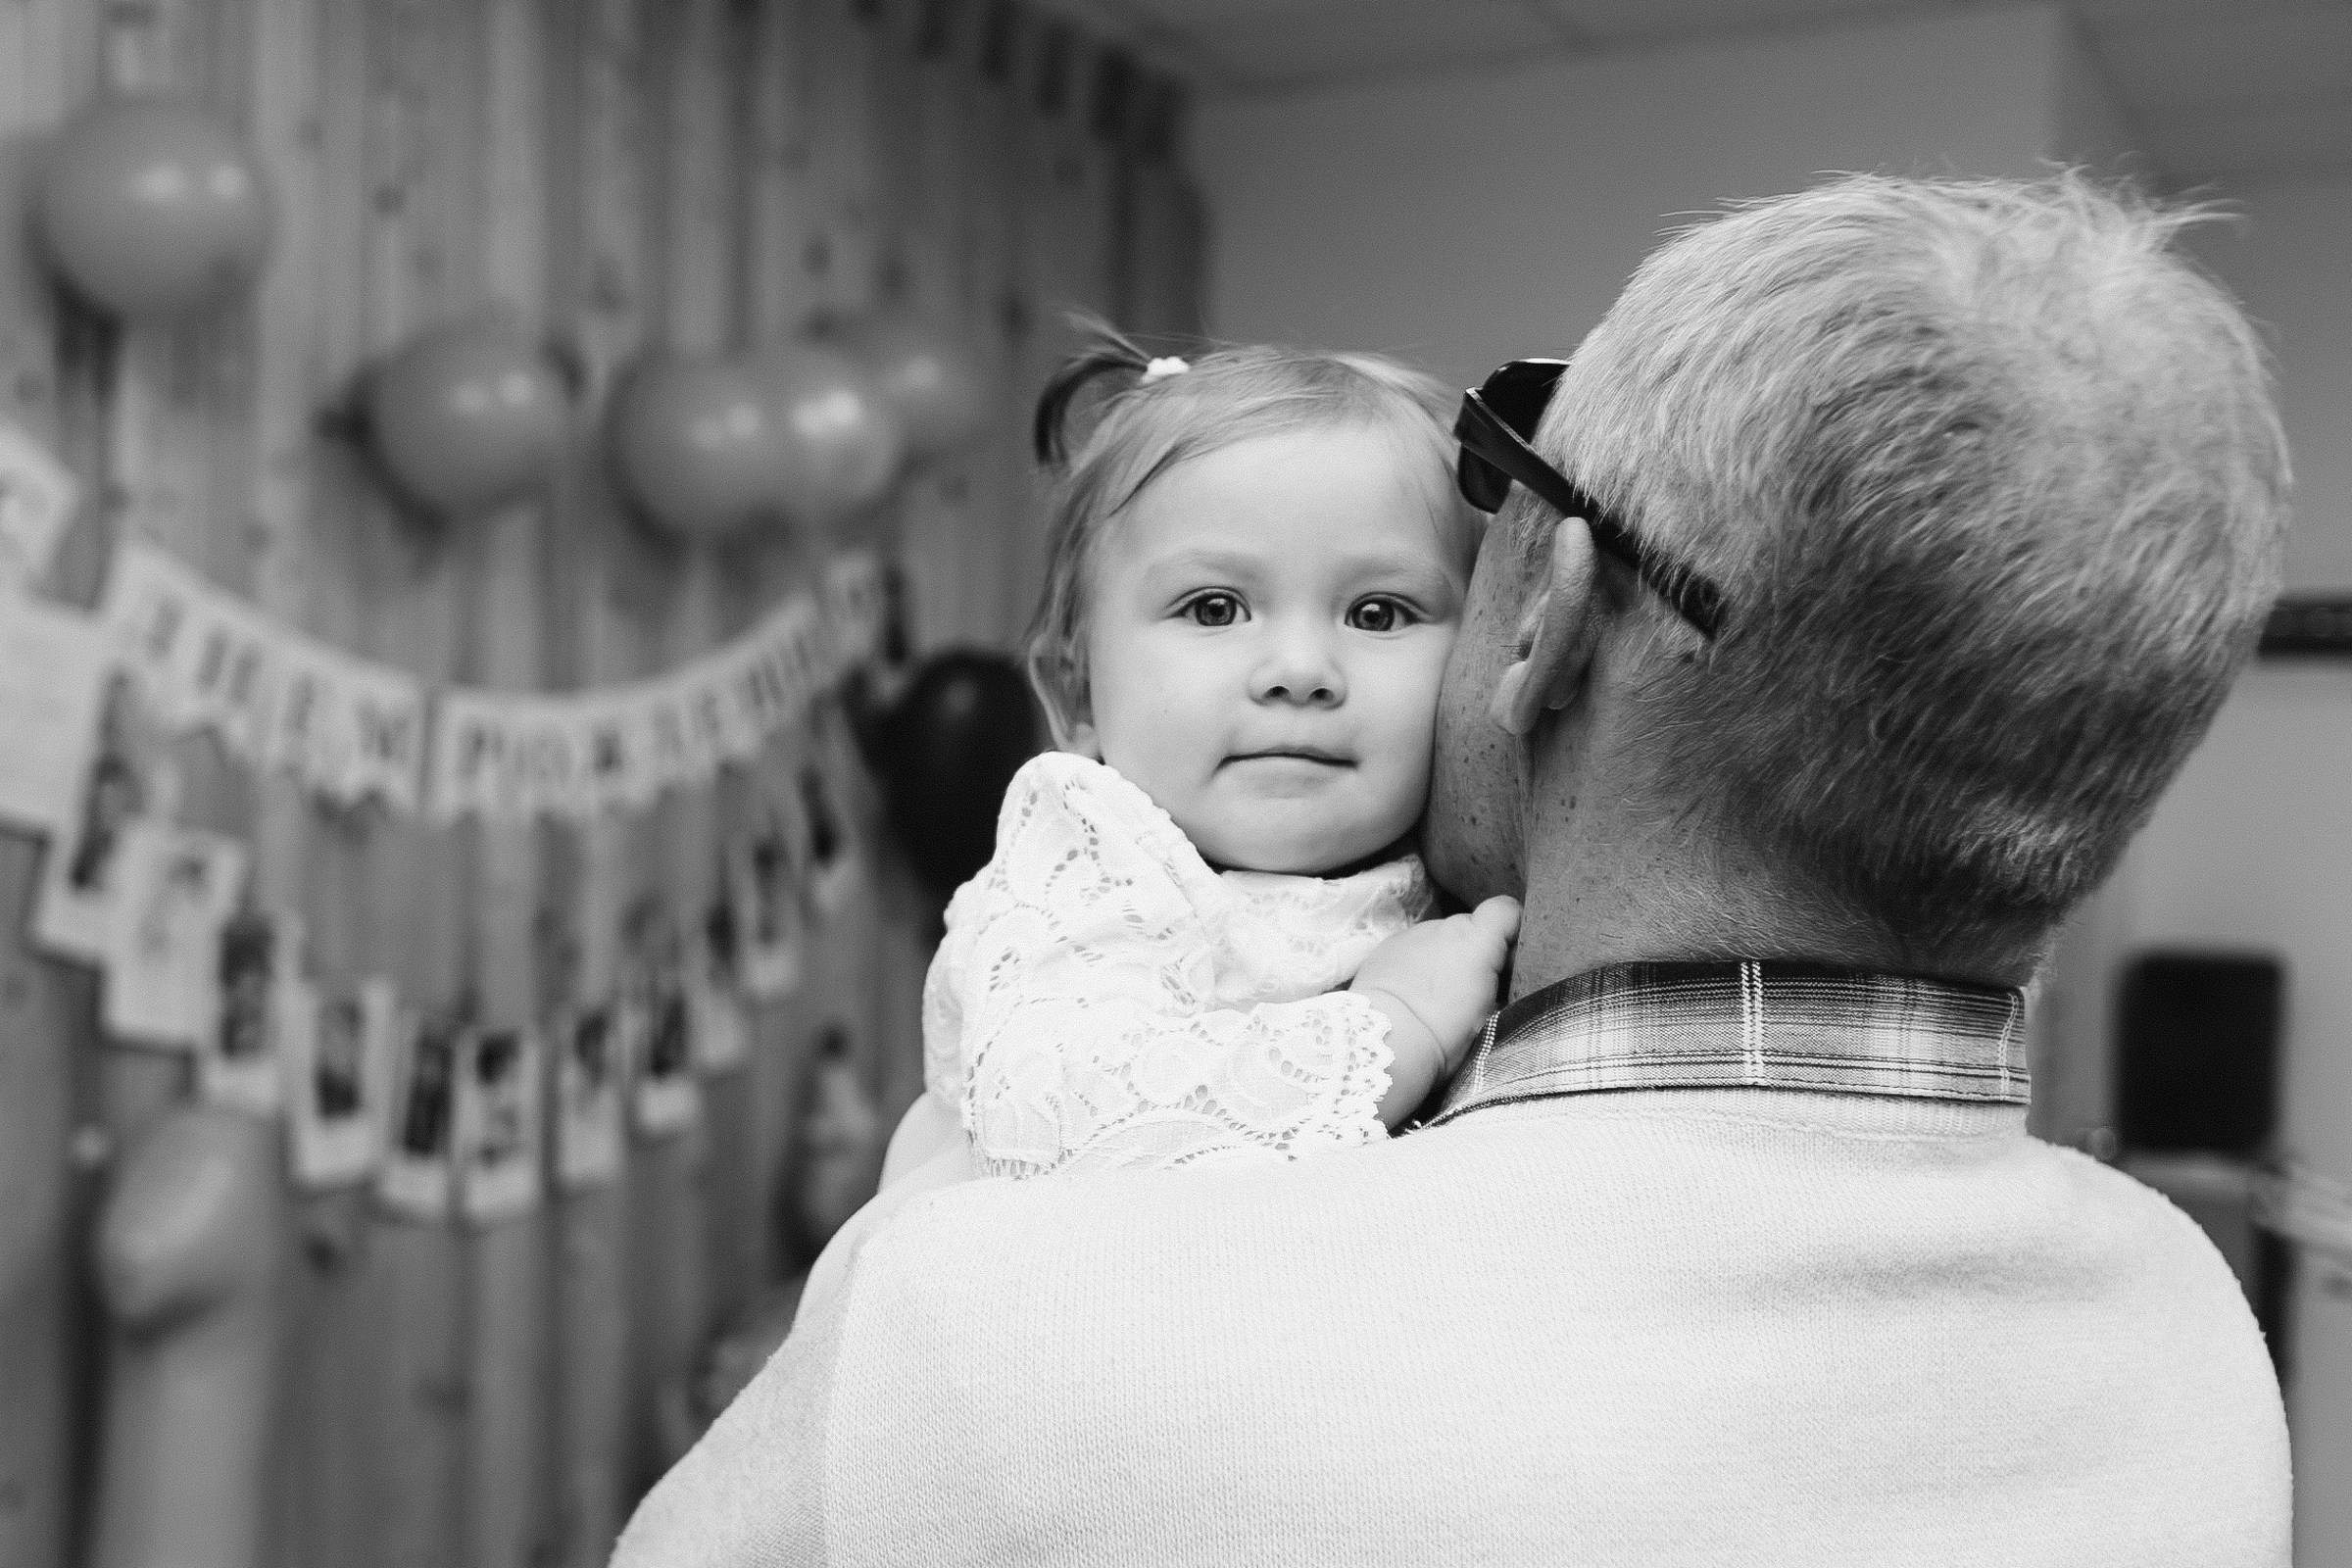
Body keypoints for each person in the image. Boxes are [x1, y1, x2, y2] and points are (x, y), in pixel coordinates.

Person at [612, 173, 2292, 1565]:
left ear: (1547, 610)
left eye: (1487, 489)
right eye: (1216, 608)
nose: (1301, 670)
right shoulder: (2201, 1344)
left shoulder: (995, 1320)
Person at [880, 329, 1519, 1192]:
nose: (1300, 670)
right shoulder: (1088, 859)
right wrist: (1394, 1022)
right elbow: (1058, 1131)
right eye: (1215, 608)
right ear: (1076, 693)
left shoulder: (1453, 870)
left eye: (1378, 613)